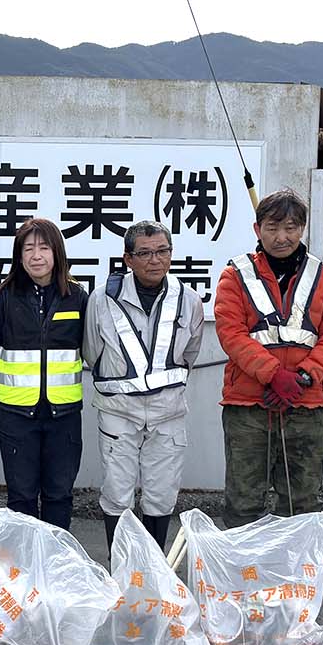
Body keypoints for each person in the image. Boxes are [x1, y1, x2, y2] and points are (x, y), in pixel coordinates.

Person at [214, 189, 323, 528]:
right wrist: (273, 374)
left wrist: (303, 377)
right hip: (248, 404)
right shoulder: (235, 275)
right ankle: (245, 563)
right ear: (257, 229)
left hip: (306, 403)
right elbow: (231, 333)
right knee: (244, 501)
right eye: (272, 228)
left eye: (290, 227)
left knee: (301, 503)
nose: (281, 237)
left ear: (302, 229)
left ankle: (295, 565)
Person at [83, 220, 204, 549]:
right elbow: (92, 351)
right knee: (117, 491)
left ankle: (153, 567)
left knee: (161, 493)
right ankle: (122, 566)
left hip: (168, 412)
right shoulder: (102, 299)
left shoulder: (189, 299)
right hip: (118, 411)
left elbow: (190, 353)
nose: (155, 260)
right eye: (145, 253)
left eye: (162, 251)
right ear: (128, 259)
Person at [0, 218, 89, 529]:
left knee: (59, 495)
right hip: (17, 415)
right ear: (19, 255)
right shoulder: (4, 297)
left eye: (44, 248)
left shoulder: (77, 297)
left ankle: (55, 556)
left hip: (64, 415)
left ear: (57, 253)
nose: (36, 255)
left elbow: (88, 345)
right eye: (28, 249)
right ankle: (24, 557)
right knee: (21, 497)